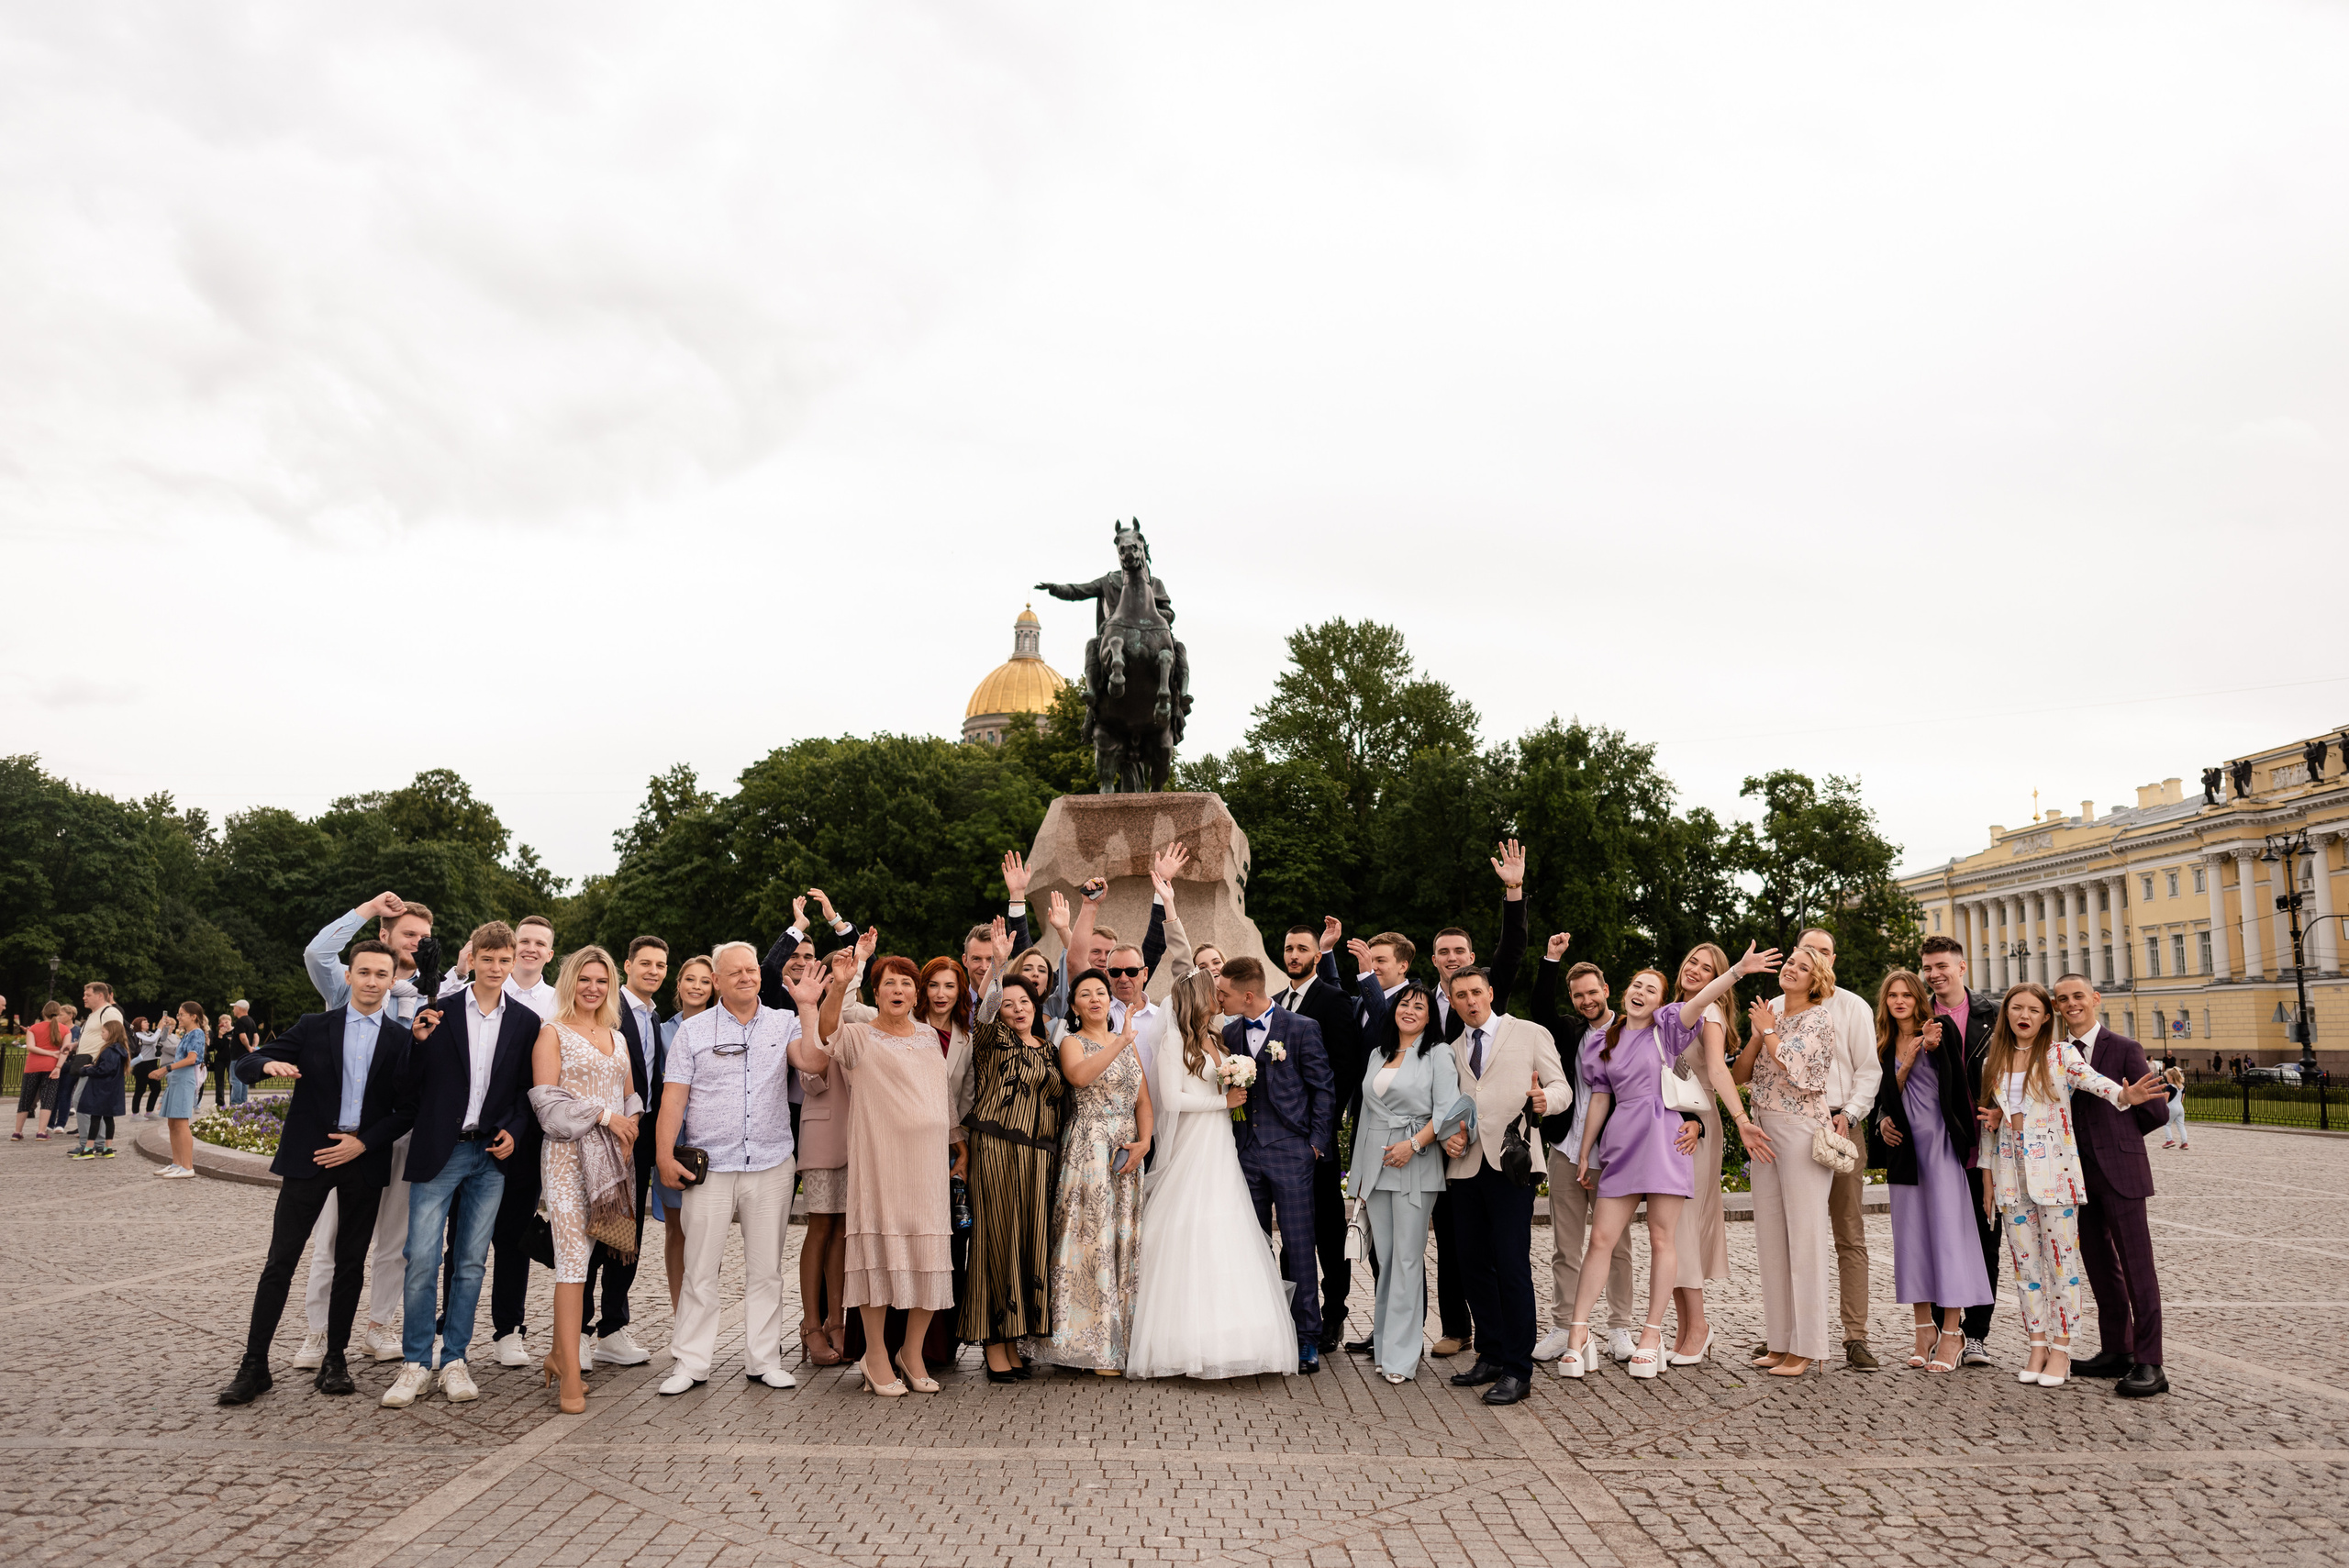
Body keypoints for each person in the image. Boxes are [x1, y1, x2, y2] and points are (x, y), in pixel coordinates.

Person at [217, 940, 419, 1406]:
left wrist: (364, 1142)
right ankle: (254, 1365)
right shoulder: (313, 1027)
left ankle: (335, 1360)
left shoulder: (400, 1039)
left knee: (350, 1263)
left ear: (392, 982)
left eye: (380, 974)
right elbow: (248, 1062)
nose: (371, 981)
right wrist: (267, 1062)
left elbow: (408, 1109)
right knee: (280, 1261)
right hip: (309, 1157)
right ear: (348, 976)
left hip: (361, 1158)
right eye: (363, 972)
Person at [1560, 951, 1754, 1381]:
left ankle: (1651, 1336)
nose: (1641, 993)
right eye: (1637, 986)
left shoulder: (1669, 1029)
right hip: (1621, 1143)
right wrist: (1585, 1150)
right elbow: (1599, 1098)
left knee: (1663, 1239)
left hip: (1666, 1140)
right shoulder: (1602, 1040)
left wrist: (1738, 971)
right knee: (1601, 1241)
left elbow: (1701, 1000)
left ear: (1661, 1001)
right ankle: (1578, 1335)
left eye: (1652, 989)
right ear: (1624, 992)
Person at [381, 922, 544, 1408]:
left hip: (489, 1156)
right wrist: (416, 1042)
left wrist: (514, 1130)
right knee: (422, 1259)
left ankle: (454, 1359)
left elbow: (523, 1092)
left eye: (504, 960)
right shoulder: (440, 1011)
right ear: (471, 960)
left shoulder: (525, 1022)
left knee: (471, 1262)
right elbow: (405, 1089)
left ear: (514, 962)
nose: (496, 968)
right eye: (487, 959)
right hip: (440, 1150)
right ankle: (415, 1362)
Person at [1976, 980, 2166, 1388]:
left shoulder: (2062, 1054)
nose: (2023, 1015)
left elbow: (2099, 1084)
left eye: (2033, 1009)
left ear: (2047, 1017)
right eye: (2016, 1008)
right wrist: (1989, 1177)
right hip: (2014, 1179)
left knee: (2070, 1269)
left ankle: (2069, 1350)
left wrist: (2124, 1098)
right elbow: (1991, 1124)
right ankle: (2042, 1345)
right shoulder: (1993, 1060)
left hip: (2064, 1178)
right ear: (2005, 1013)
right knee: (2030, 1269)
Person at [1128, 969, 1304, 1380]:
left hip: (1222, 1145)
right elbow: (1171, 1099)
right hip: (1195, 1144)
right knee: (1191, 1230)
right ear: (1198, 996)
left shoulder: (1216, 1038)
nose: (1221, 996)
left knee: (1227, 1231)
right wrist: (1223, 1103)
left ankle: (1240, 1337)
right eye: (1214, 991)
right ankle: (1185, 1341)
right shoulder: (1174, 1041)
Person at [799, 951, 958, 1396]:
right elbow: (826, 1031)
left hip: (926, 1167)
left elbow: (942, 1097)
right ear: (877, 991)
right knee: (879, 1260)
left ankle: (910, 1353)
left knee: (928, 1260)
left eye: (907, 984)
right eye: (889, 983)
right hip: (880, 1163)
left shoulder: (929, 1038)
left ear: (917, 993)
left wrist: (956, 1146)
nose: (899, 991)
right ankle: (874, 1356)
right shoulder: (858, 1036)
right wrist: (837, 984)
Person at [652, 941, 798, 1396]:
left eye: (752, 970)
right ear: (716, 980)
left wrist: (815, 1006)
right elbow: (673, 1098)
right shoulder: (692, 1032)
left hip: (772, 1162)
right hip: (710, 1166)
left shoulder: (785, 1021)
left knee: (767, 1270)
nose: (746, 977)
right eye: (734, 972)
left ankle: (765, 1359)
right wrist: (663, 1156)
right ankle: (690, 1362)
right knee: (699, 1268)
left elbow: (813, 1065)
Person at [299, 892, 436, 1371]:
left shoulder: (433, 992)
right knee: (332, 1239)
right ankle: (318, 1332)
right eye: (407, 934)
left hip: (404, 1134)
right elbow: (317, 954)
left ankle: (379, 1327)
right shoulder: (355, 985)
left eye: (423, 936)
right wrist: (367, 909)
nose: (417, 943)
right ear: (385, 936)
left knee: (396, 1239)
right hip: (351, 1139)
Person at [1436, 965, 1569, 1405]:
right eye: (1461, 996)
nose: (1471, 1001)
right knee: (1472, 1266)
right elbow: (1450, 1108)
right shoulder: (1452, 1049)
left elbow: (1561, 1088)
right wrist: (1450, 1135)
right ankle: (1490, 1354)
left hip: (1513, 1165)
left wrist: (1544, 1100)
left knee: (1511, 1266)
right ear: (1452, 1001)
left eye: (1477, 992)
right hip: (1465, 1168)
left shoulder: (1529, 1033)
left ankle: (1518, 1369)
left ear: (1490, 992)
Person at [528, 946, 640, 1415]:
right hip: (567, 1158)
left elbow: (632, 1095)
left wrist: (630, 1124)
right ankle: (571, 1371)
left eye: (601, 980)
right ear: (569, 981)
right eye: (584, 979)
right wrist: (606, 1115)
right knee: (573, 1260)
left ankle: (559, 1353)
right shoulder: (551, 1033)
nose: (592, 988)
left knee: (593, 1254)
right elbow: (548, 1108)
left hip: (615, 1159)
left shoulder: (617, 1036)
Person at [1768, 929, 1884, 1372]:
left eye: (1822, 952)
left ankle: (1855, 1335)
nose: (1812, 957)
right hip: (1790, 1127)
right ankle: (1788, 1334)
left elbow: (1868, 1071)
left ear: (1833, 959)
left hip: (1839, 1125)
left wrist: (1850, 1114)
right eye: (1805, 951)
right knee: (1792, 1231)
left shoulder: (1851, 1005)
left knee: (1847, 1232)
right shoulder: (1777, 1006)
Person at [2050, 973, 2171, 1398]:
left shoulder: (2124, 1049)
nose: (2071, 1004)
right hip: (2076, 1176)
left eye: (2078, 996)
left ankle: (2150, 1363)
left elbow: (2156, 1112)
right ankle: (2117, 1350)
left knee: (2138, 1268)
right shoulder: (2056, 1053)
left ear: (2096, 999)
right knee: (2101, 1268)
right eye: (2063, 999)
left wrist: (2119, 1138)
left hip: (2121, 1172)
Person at [1345, 981, 1469, 1384]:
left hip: (1415, 1165)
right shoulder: (1378, 1054)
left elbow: (1447, 1111)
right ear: (1393, 1010)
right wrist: (1359, 1179)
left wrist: (1412, 1145)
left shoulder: (1438, 1054)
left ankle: (1402, 1357)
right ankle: (1385, 1347)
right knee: (1386, 1261)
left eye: (1420, 1006)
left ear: (1430, 1015)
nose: (1410, 1010)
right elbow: (1366, 1117)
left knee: (1408, 1260)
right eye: (1404, 1004)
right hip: (1377, 1168)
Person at [1031, 968, 1152, 1375]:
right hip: (1089, 1149)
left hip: (1127, 1152)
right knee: (1090, 1238)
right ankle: (1089, 1345)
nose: (1097, 999)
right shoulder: (1071, 1042)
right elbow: (1079, 1077)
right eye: (1087, 994)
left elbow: (1143, 1101)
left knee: (1122, 1238)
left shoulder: (1129, 1044)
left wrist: (1145, 1142)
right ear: (1076, 1005)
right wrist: (1120, 1041)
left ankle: (1120, 1342)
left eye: (1102, 992)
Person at [1216, 955, 1333, 1373]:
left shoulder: (1301, 1029)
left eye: (1224, 993)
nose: (1219, 999)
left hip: (1291, 1150)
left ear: (1248, 995)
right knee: (1252, 1246)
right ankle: (1261, 1333)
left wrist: (1315, 1146)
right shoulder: (1227, 1034)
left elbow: (1323, 1089)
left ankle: (1306, 1337)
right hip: (1244, 1152)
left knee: (1300, 1247)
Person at [1867, 970, 1987, 1375]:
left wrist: (1934, 1049)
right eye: (1892, 996)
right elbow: (1883, 1093)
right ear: (1885, 1003)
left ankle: (1952, 1333)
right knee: (1912, 1239)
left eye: (1906, 994)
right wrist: (1886, 1112)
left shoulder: (1941, 1030)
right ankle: (1924, 1330)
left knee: (1948, 1236)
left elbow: (1956, 1083)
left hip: (1939, 1144)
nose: (1899, 1001)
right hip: (1904, 1148)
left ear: (1918, 997)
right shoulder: (1883, 1042)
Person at [1530, 947, 1635, 1371]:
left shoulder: (1632, 1030)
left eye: (1593, 992)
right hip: (1565, 1149)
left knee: (1617, 1245)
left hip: (1613, 1155)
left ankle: (1619, 1327)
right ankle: (1563, 1325)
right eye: (1578, 995)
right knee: (1565, 1246)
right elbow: (1539, 1006)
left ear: (1607, 990)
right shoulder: (1569, 1031)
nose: (1587, 1001)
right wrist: (1551, 960)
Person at [1735, 944, 1838, 1377]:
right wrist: (1760, 1032)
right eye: (1790, 962)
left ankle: (1808, 1345)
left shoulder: (1820, 1019)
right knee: (1772, 1239)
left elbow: (1801, 1072)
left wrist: (1769, 1031)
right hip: (1763, 1128)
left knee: (1806, 1238)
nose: (1792, 969)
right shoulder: (1771, 1016)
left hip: (1801, 1130)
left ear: (1817, 979)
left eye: (1803, 966)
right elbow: (1740, 1075)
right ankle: (1780, 1341)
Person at [960, 968, 1067, 1378]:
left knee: (1027, 1244)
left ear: (1036, 1005)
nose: (1018, 1008)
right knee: (996, 1241)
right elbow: (981, 1013)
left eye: (1024, 1001)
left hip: (1039, 1158)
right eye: (1009, 1003)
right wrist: (997, 965)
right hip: (997, 1151)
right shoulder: (992, 1040)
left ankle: (1015, 1338)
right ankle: (993, 1346)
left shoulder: (1047, 1047)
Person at [1662, 941, 1759, 1367]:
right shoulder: (1670, 1011)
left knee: (1683, 1225)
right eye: (1692, 962)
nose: (1695, 970)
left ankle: (1698, 1327)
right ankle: (1685, 1328)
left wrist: (1739, 1118)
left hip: (1698, 1125)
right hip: (1669, 1124)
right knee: (1671, 1226)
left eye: (1707, 967)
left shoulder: (1710, 1012)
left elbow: (1718, 1069)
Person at [1271, 918, 1364, 1355]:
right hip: (1280, 1140)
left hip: (1317, 1141)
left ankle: (1335, 1314)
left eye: (1302, 949)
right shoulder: (1273, 1003)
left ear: (1315, 954)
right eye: (1289, 949)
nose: (1294, 956)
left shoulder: (1333, 1000)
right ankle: (1292, 1314)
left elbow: (1345, 1069)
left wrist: (1320, 1132)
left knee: (1327, 1232)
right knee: (1291, 1234)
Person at [580, 935, 670, 1372]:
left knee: (625, 1238)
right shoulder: (608, 1009)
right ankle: (578, 1330)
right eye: (646, 964)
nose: (653, 971)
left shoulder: (654, 1017)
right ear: (628, 965)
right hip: (602, 1134)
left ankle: (613, 1328)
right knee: (595, 1232)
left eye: (660, 966)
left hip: (642, 1135)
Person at [1917, 933, 2003, 1367]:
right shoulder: (1915, 1014)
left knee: (1986, 1239)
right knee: (1937, 1239)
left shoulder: (1992, 1014)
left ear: (1962, 967)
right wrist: (1884, 1119)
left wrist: (2004, 1112)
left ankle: (1977, 1334)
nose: (1935, 975)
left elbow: (2014, 1069)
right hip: (1933, 1146)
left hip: (1981, 1146)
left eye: (1942, 966)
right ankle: (1939, 1327)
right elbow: (1888, 1071)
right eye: (1928, 968)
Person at [796, 946, 863, 1366]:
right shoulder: (802, 1025)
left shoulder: (865, 1020)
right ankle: (810, 1324)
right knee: (819, 1229)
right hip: (821, 1139)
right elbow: (811, 1074)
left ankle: (838, 1320)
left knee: (842, 1232)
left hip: (859, 1140)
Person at [651, 951, 718, 1315]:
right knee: (676, 1232)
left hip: (713, 1142)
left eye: (705, 980)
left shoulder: (724, 1026)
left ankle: (704, 1311)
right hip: (674, 1144)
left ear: (714, 986)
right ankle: (681, 1314)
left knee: (709, 1236)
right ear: (678, 985)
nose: (697, 986)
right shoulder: (662, 1031)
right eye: (690, 979)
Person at [156, 1003, 208, 1177]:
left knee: (181, 1123)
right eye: (178, 1015)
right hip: (177, 1079)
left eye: (182, 1015)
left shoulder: (197, 1034)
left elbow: (192, 1058)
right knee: (172, 1123)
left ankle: (187, 1166)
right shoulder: (187, 1034)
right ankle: (176, 1163)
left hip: (184, 1079)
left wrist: (166, 1069)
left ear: (193, 1016)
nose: (178, 1018)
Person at [66, 1018, 128, 1158]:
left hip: (102, 1089)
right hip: (112, 1089)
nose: (101, 1034)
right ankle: (107, 1148)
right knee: (108, 1119)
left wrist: (87, 1070)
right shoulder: (121, 1050)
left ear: (111, 1033)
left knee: (95, 1117)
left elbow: (104, 1070)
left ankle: (88, 1149)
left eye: (103, 1031)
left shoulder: (109, 1051)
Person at [14, 1002, 68, 1140]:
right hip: (51, 1068)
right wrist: (58, 1066)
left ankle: (17, 1132)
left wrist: (47, 1053)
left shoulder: (33, 1028)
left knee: (25, 1099)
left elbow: (30, 1047)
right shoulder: (65, 1030)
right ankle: (41, 1131)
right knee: (48, 1100)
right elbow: (65, 1051)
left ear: (43, 1013)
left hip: (32, 1067)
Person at [129, 1016, 165, 1118]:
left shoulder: (149, 1034)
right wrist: (159, 1027)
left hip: (153, 1063)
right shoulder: (137, 1035)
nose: (147, 1023)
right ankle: (135, 1113)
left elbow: (162, 1038)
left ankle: (149, 1111)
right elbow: (152, 1040)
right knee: (140, 1089)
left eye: (147, 1021)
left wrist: (165, 1027)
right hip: (142, 1064)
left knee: (156, 1088)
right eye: (144, 1021)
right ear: (138, 1024)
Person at [2162, 1066, 2189, 1150]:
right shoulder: (2181, 1087)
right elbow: (2182, 1099)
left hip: (2172, 1107)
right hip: (2180, 1108)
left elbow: (2166, 1097)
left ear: (2171, 1078)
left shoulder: (2170, 1086)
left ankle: (2169, 1140)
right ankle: (2185, 1143)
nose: (2167, 1079)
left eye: (2167, 1077)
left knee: (2166, 1124)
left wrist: (2163, 1105)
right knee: (2181, 1126)